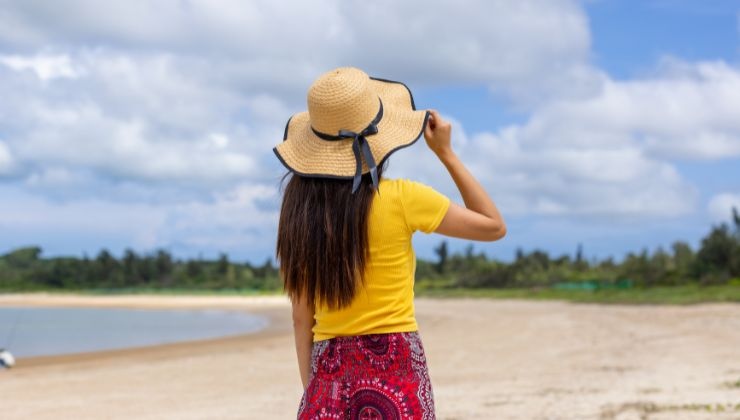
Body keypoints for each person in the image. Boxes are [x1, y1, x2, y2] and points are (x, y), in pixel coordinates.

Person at [273, 67, 505, 419]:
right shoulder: (402, 198)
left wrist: (315, 390)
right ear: (380, 135)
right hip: (397, 371)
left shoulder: (300, 213)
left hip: (328, 371)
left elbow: (300, 319)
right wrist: (446, 153)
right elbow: (492, 226)